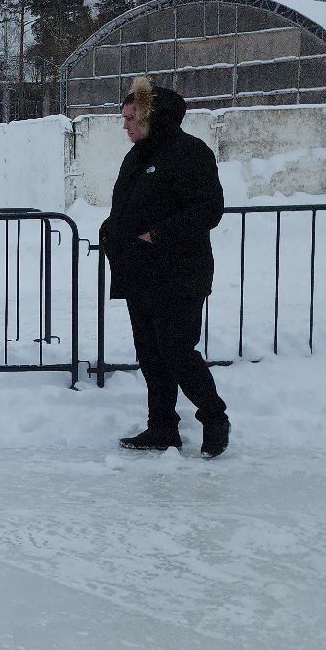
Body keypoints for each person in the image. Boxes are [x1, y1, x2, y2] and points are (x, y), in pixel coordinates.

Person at [100, 76, 231, 458]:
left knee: (176, 350)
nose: (124, 125)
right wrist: (112, 229)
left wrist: (158, 234)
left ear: (152, 117)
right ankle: (162, 428)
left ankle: (214, 417)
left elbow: (208, 209)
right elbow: (127, 205)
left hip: (179, 274)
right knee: (150, 355)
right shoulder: (137, 154)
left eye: (130, 118)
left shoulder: (189, 152)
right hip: (139, 273)